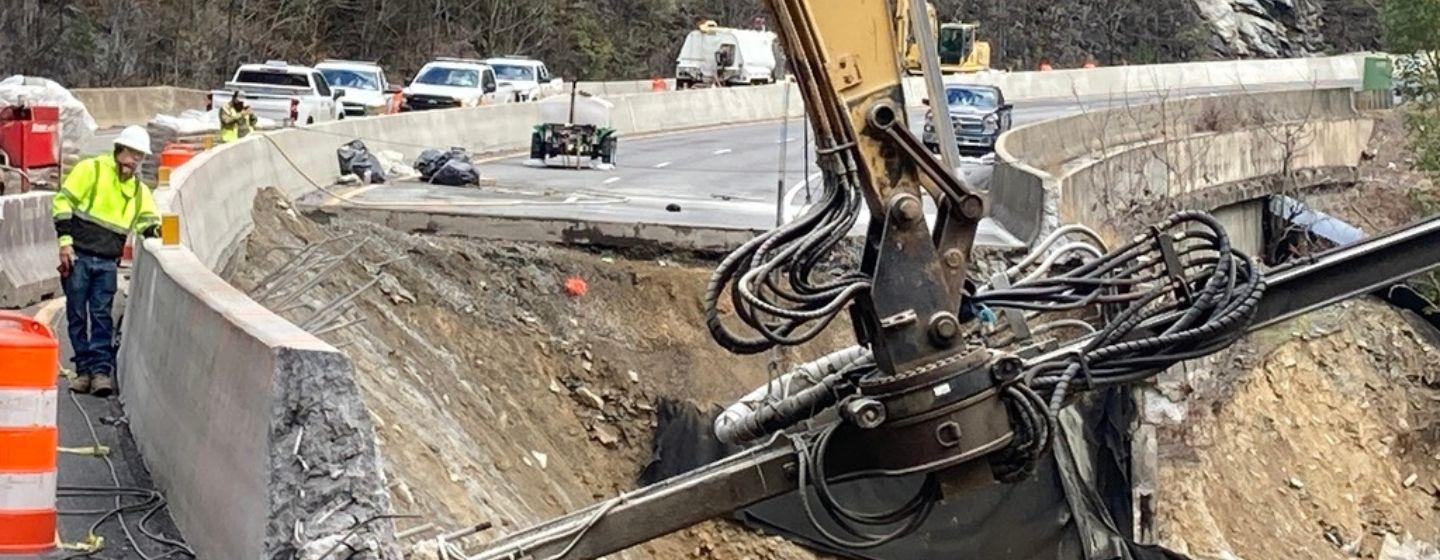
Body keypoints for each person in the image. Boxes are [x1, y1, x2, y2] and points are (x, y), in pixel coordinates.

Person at [52, 125, 161, 396]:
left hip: (107, 263)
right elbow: (63, 202)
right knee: (77, 315)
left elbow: (148, 220)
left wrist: (156, 232)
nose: (134, 160)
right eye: (131, 154)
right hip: (79, 256)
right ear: (119, 150)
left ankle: (100, 372)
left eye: (139, 157)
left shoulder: (138, 190)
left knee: (101, 317)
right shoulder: (93, 170)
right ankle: (84, 371)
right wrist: (65, 243)